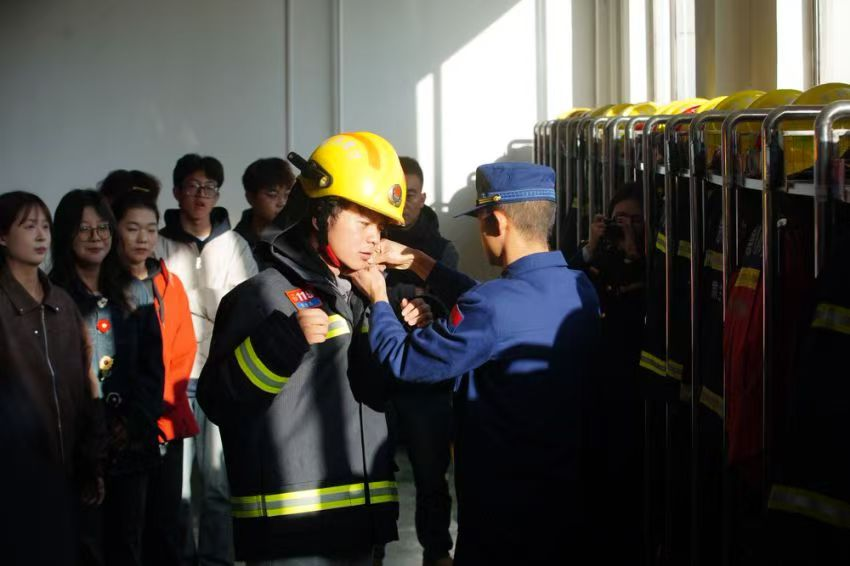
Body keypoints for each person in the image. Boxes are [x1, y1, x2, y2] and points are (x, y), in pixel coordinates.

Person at [349, 162, 601, 564]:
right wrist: (418, 261)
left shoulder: (492, 307)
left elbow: (403, 360)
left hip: (502, 513)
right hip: (565, 500)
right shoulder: (578, 287)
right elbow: (495, 309)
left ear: (496, 222)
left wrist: (377, 296)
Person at [197, 132, 431, 565]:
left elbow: (381, 395)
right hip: (292, 538)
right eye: (362, 222)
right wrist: (281, 343)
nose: (374, 239)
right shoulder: (261, 297)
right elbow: (218, 401)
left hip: (363, 533)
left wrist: (407, 330)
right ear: (321, 215)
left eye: (380, 227)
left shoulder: (366, 299)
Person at [50, 189, 165, 566]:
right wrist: (92, 433)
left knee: (128, 546)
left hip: (132, 446)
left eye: (102, 228)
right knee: (83, 548)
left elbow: (153, 368)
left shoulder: (135, 289)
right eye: (84, 229)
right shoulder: (53, 295)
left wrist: (130, 424)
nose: (96, 237)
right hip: (77, 452)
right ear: (66, 234)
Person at [157, 153, 258, 566]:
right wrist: (210, 304)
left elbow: (245, 310)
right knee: (177, 489)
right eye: (193, 186)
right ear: (177, 191)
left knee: (218, 485)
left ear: (218, 194)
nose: (201, 195)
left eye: (210, 188)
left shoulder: (234, 245)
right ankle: (179, 558)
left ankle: (217, 560)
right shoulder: (159, 245)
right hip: (175, 379)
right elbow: (162, 313)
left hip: (218, 376)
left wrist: (196, 306)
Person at [0, 191, 104, 564]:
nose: (41, 235)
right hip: (15, 476)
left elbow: (86, 382)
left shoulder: (62, 302)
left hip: (69, 472)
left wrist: (92, 460)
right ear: (2, 236)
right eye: (29, 226)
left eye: (45, 226)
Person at [111, 188, 199, 566]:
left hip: (165, 421)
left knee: (165, 525)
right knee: (125, 530)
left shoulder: (168, 283)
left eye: (150, 229)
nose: (143, 238)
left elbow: (183, 350)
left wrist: (159, 412)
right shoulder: (105, 284)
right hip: (121, 426)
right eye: (132, 228)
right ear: (115, 230)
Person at [380, 156, 457, 566]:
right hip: (379, 376)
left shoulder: (442, 250)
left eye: (410, 194)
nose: (403, 202)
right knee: (372, 474)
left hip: (427, 380)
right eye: (396, 193)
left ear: (423, 197)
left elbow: (450, 307)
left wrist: (422, 306)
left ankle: (437, 551)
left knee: (431, 476)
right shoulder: (372, 241)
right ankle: (372, 551)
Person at [570, 183, 646, 560]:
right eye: (619, 219)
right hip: (596, 380)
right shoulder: (598, 257)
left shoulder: (653, 260)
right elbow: (568, 284)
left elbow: (638, 308)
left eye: (635, 219)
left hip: (634, 383)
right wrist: (590, 245)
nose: (625, 226)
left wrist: (633, 251)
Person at [234, 157, 296, 260]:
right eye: (272, 194)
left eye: (287, 194)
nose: (282, 202)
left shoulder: (298, 239)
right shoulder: (234, 243)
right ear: (250, 197)